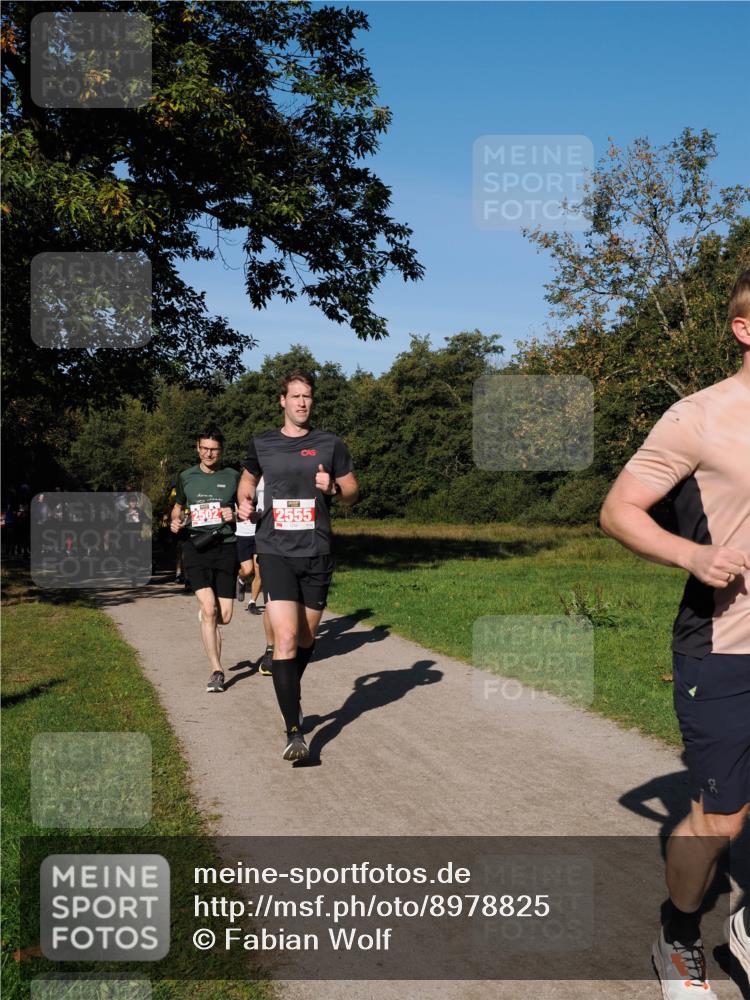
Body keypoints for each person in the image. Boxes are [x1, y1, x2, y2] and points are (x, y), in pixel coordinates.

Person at [600, 269, 750, 998]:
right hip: (724, 646)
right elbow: (620, 510)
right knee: (721, 818)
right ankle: (679, 934)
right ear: (744, 329)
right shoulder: (696, 417)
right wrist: (694, 555)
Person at [237, 369, 359, 762]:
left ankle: (291, 689)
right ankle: (295, 731)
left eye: (307, 397)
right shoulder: (264, 443)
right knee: (285, 639)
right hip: (274, 549)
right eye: (295, 396)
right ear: (282, 401)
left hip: (317, 550)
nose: (302, 403)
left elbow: (353, 491)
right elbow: (246, 481)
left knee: (306, 638)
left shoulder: (330, 444)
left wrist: (334, 489)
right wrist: (244, 501)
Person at [171, 428, 240, 693]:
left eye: (214, 449)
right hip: (195, 546)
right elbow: (177, 508)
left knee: (225, 616)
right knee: (209, 609)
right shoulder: (186, 477)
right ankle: (216, 670)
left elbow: (250, 510)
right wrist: (175, 522)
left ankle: (208, 617)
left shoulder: (233, 476)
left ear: (221, 451)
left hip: (225, 547)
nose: (209, 453)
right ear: (197, 448)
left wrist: (233, 514)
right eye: (204, 448)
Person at [235, 476, 275, 673]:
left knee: (260, 572)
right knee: (249, 570)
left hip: (264, 534)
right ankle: (241, 579)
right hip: (244, 532)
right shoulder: (245, 481)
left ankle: (252, 601)